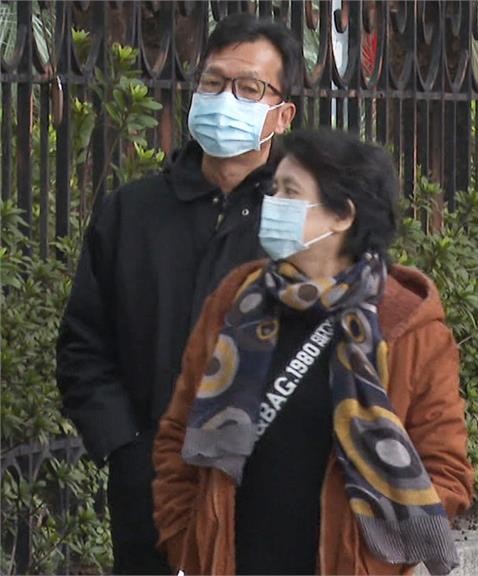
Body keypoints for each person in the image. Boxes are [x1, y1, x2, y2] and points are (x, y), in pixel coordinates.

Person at [151, 129, 474, 576]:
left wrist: (370, 561)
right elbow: (177, 436)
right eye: (273, 188)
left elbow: (446, 470)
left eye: (290, 192)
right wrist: (187, 539)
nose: (272, 202)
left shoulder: (406, 326)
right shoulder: (235, 301)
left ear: (342, 216)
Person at [56, 13, 302, 574]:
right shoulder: (134, 212)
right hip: (151, 495)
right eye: (213, 83)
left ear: (281, 113)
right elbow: (83, 346)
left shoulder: (304, 222)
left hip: (272, 499)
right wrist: (127, 448)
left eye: (248, 88)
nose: (225, 100)